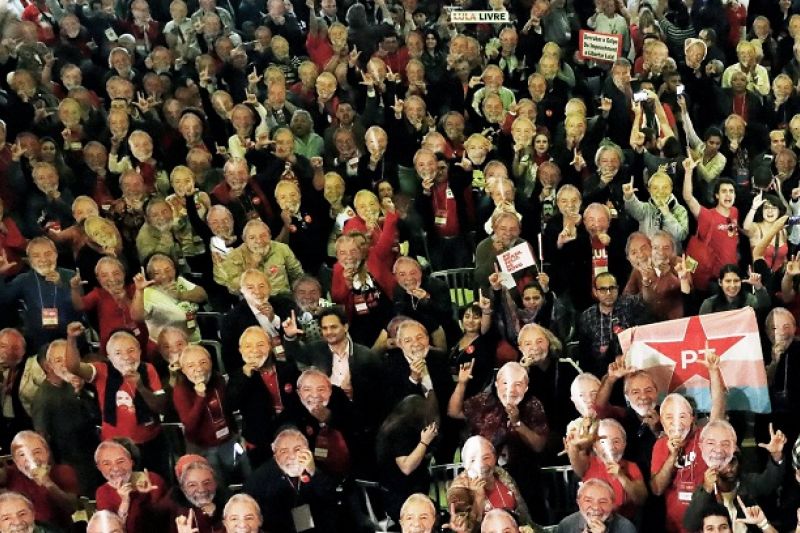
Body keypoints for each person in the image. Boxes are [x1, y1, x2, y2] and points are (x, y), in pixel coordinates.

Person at [64, 323, 169, 477]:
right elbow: (74, 367)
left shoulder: (148, 369)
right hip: (115, 446)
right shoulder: (102, 370)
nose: (126, 357)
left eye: (131, 350)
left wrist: (140, 387)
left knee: (155, 483)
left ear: (140, 352)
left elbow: (161, 407)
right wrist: (72, 339)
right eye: (118, 353)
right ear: (109, 356)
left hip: (150, 442)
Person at [243, 427, 341, 532]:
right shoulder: (258, 479)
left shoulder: (318, 464)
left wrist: (313, 472)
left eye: (297, 449)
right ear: (275, 454)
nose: (292, 456)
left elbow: (332, 497)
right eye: (283, 451)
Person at [0, 431, 79, 530]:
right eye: (22, 455)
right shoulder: (9, 474)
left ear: (47, 453)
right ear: (15, 460)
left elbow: (71, 508)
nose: (31, 458)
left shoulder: (62, 472)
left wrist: (48, 483)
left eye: (37, 452)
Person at [94, 439, 165, 533]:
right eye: (107, 463)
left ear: (131, 462)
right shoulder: (103, 492)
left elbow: (169, 521)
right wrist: (125, 502)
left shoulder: (153, 479)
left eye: (120, 461)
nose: (115, 468)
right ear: (99, 467)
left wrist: (147, 496)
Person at [556, 478, 637, 533]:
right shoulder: (566, 525)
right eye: (588, 500)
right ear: (578, 503)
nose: (596, 507)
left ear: (612, 504)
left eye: (603, 501)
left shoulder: (626, 527)